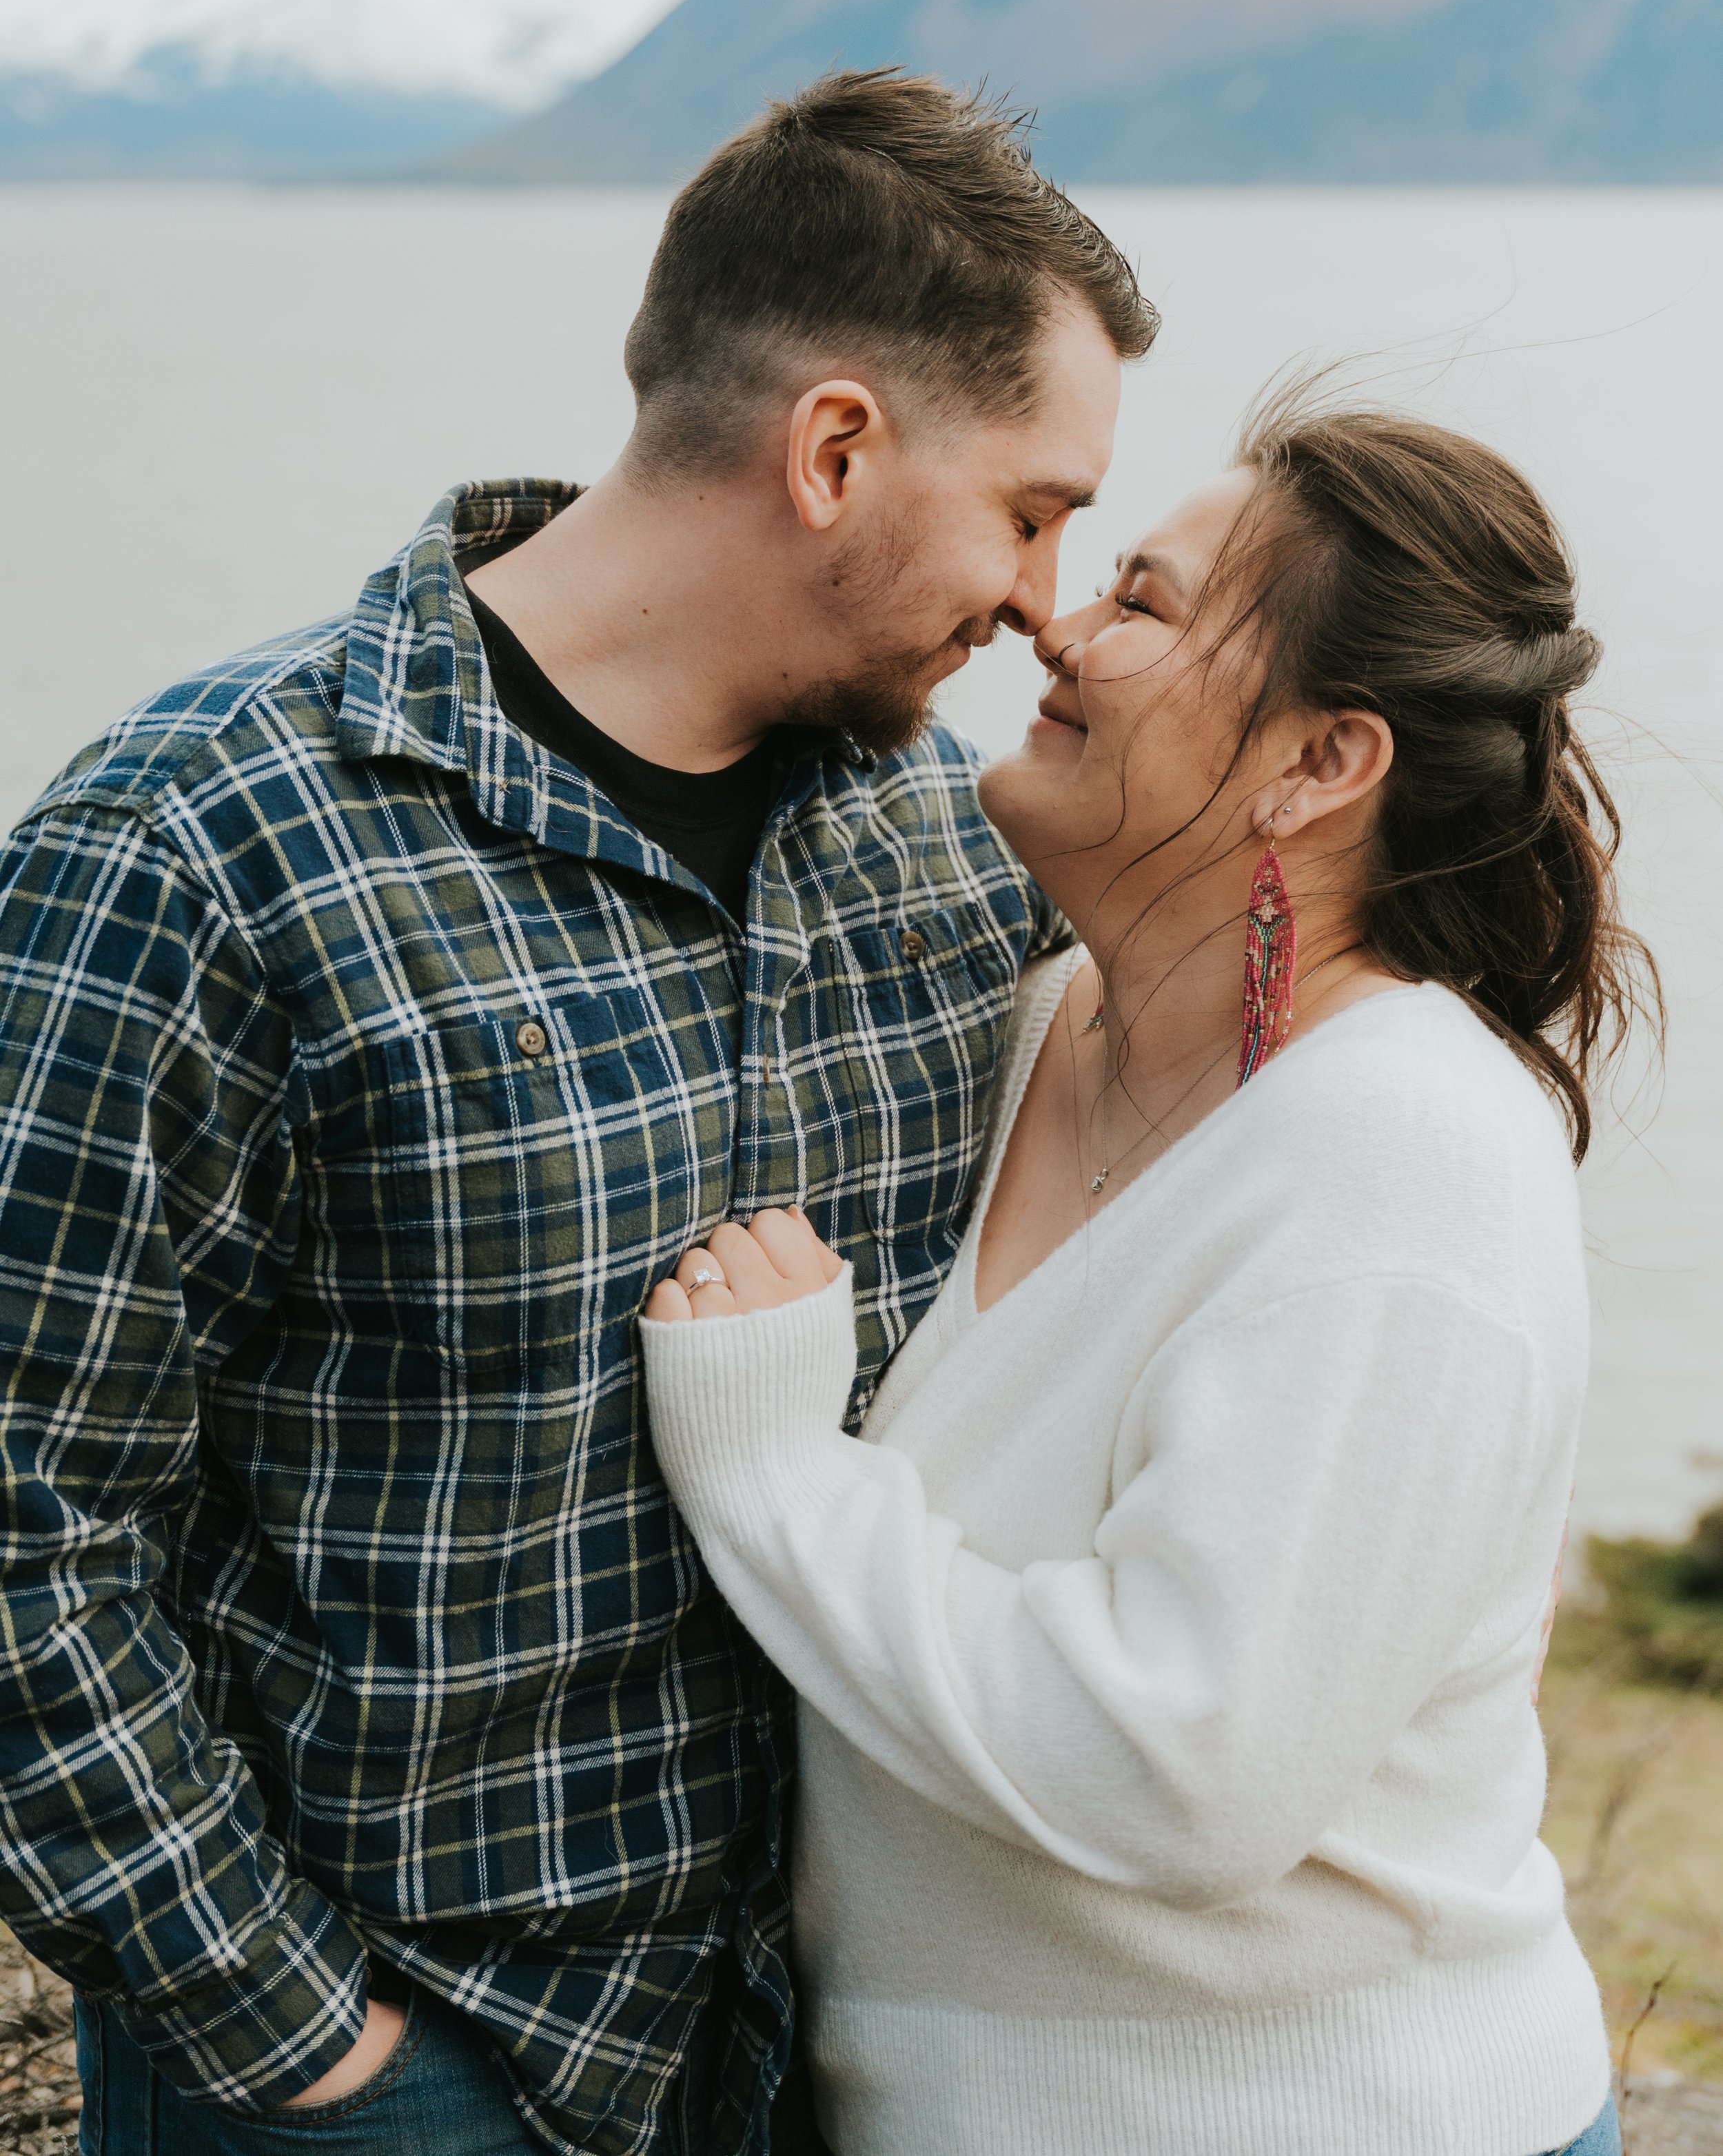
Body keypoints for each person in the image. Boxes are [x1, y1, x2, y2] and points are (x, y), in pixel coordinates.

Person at [0, 71, 1155, 2154]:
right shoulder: (195, 849)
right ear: (832, 447)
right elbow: (25, 1513)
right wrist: (296, 2046)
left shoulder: (947, 856)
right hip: (393, 2067)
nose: (1046, 600)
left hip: (832, 2053)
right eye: (1032, 505)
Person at [640, 393, 1655, 2156]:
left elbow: (1178, 1766)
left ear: (1319, 765)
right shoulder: (1037, 1025)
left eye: (1148, 603)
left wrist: (776, 1475)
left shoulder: (1399, 1152)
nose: (1055, 616)